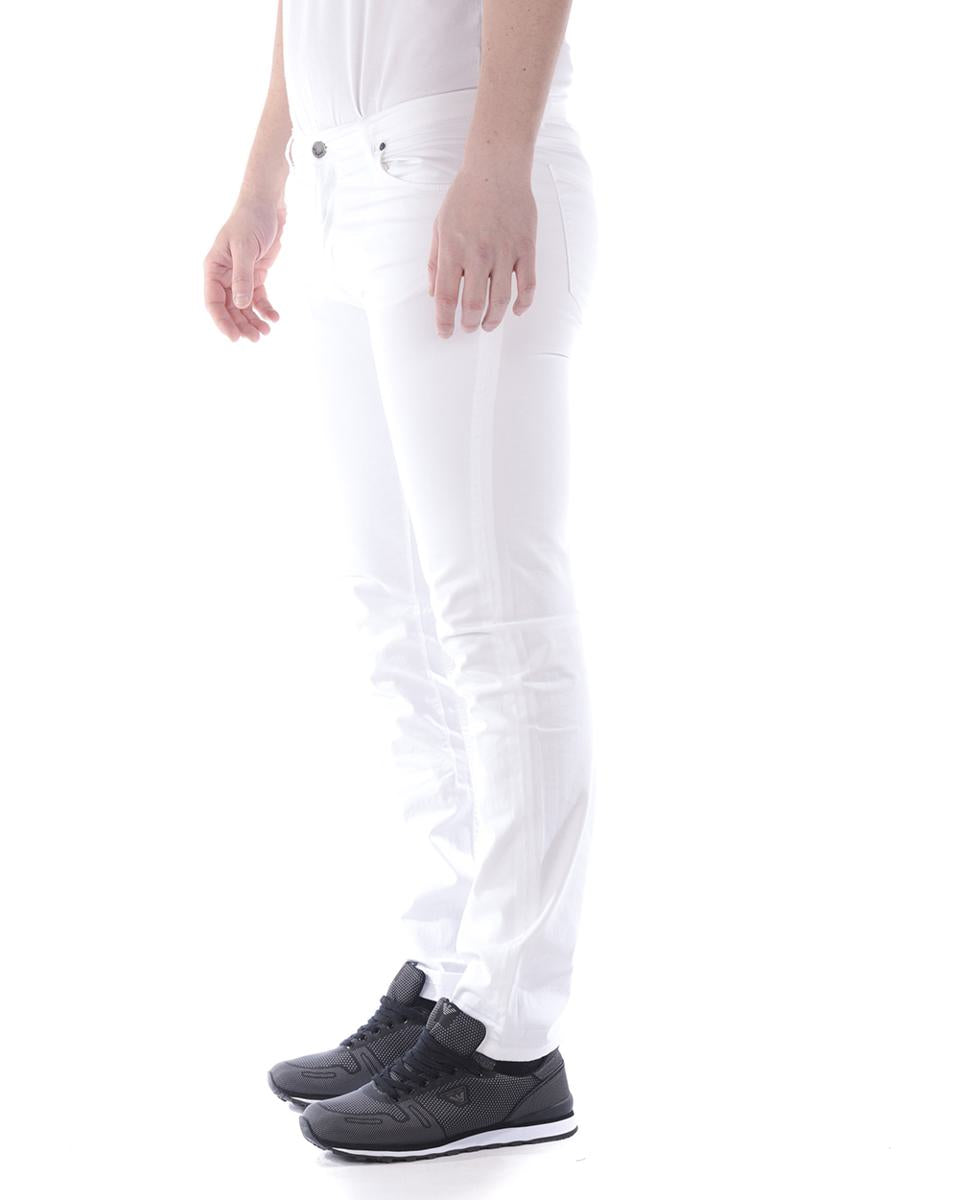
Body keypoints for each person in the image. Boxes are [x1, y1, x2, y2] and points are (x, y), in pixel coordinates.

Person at [204, 0, 598, 1162]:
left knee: (495, 620)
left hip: (453, 155)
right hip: (345, 177)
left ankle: (509, 1038)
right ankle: (450, 970)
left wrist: (497, 160)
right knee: (401, 615)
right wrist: (265, 175)